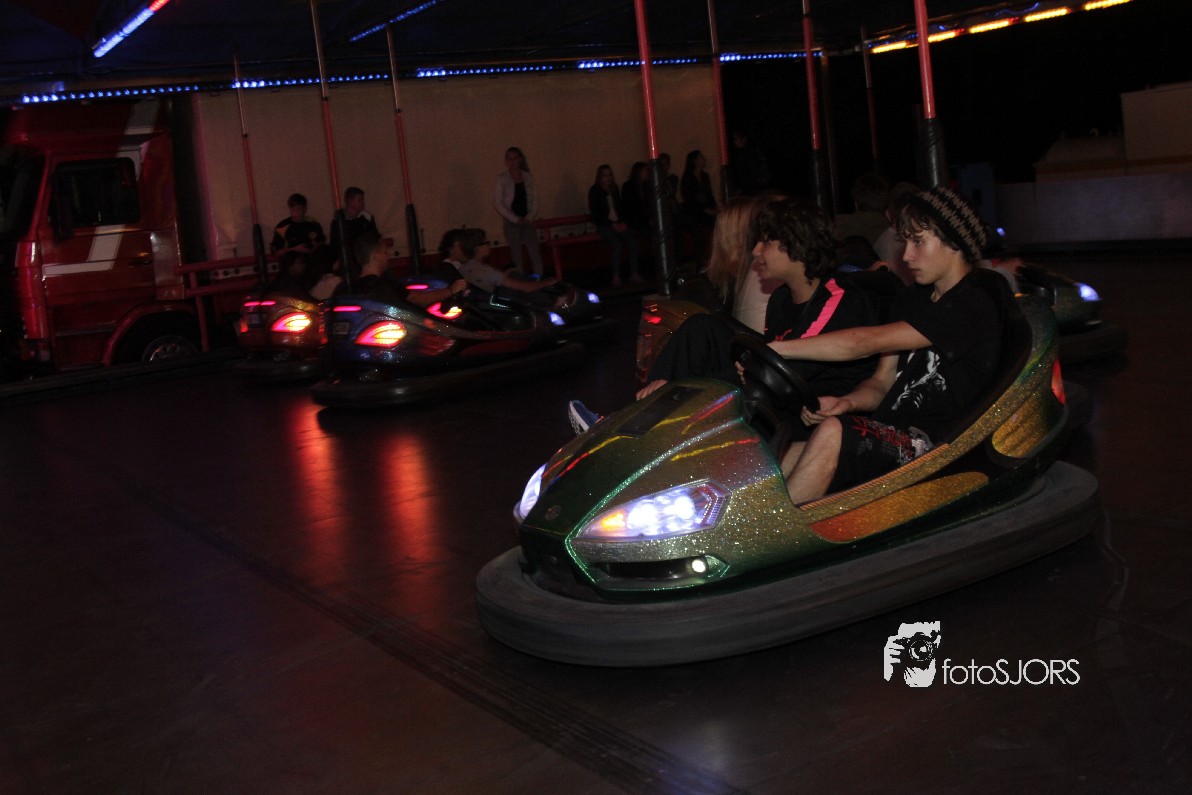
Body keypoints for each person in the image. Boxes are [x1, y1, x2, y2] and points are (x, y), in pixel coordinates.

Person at [773, 186, 999, 504]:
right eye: (906, 242)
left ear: (954, 243)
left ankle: (781, 532)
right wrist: (846, 402)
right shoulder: (914, 300)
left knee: (834, 433)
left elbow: (863, 343)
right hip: (892, 434)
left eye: (918, 242)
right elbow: (882, 382)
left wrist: (779, 349)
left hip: (940, 448)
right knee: (775, 457)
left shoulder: (972, 304)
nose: (906, 256)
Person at [635, 198, 876, 409]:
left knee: (691, 384)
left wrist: (682, 388)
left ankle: (665, 403)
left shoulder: (838, 300)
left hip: (808, 410)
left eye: (766, 243)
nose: (756, 251)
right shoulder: (781, 297)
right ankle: (651, 411)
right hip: (773, 387)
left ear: (796, 246)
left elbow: (782, 375)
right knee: (702, 327)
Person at [337, 232, 464, 309]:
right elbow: (419, 300)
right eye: (385, 252)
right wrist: (451, 290)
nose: (388, 256)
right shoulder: (383, 285)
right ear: (375, 256)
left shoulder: (345, 288)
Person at [440, 227, 558, 295]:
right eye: (486, 243)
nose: (489, 246)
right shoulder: (484, 271)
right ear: (477, 249)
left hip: (483, 305)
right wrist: (547, 283)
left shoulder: (462, 268)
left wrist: (506, 273)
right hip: (496, 310)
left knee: (513, 274)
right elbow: (526, 288)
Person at [493, 146, 545, 277]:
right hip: (511, 220)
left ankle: (539, 277)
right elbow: (498, 203)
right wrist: (515, 219)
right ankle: (520, 281)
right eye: (509, 159)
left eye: (515, 158)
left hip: (527, 218)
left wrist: (529, 217)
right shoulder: (502, 178)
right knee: (516, 254)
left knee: (534, 251)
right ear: (506, 161)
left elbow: (534, 198)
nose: (512, 162)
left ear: (520, 159)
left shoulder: (527, 176)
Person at [587, 164, 641, 287]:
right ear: (599, 177)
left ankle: (634, 273)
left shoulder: (614, 189)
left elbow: (620, 208)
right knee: (616, 245)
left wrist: (623, 222)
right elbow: (596, 213)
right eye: (604, 175)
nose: (608, 178)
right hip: (604, 225)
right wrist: (611, 224)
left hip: (617, 223)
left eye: (610, 175)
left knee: (632, 242)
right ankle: (616, 276)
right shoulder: (595, 191)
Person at [327, 186, 381, 281]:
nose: (363, 202)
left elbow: (375, 237)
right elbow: (335, 243)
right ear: (350, 201)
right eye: (360, 200)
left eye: (363, 199)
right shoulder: (339, 220)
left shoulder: (366, 217)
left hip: (364, 258)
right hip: (348, 259)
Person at [269, 193, 325, 257]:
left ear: (305, 209)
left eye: (298, 209)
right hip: (292, 258)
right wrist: (294, 249)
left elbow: (321, 240)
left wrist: (315, 246)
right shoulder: (282, 226)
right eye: (293, 209)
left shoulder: (313, 222)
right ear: (290, 210)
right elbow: (276, 253)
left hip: (312, 257)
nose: (296, 212)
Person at [728, 130, 770, 197]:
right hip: (749, 190)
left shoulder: (750, 154)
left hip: (752, 191)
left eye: (736, 139)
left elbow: (749, 174)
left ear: (743, 139)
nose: (734, 142)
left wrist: (741, 189)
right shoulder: (739, 155)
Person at [620, 161, 652, 239]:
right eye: (645, 170)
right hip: (634, 220)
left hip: (644, 219)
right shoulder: (629, 186)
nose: (648, 173)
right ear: (639, 172)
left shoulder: (646, 186)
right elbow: (631, 207)